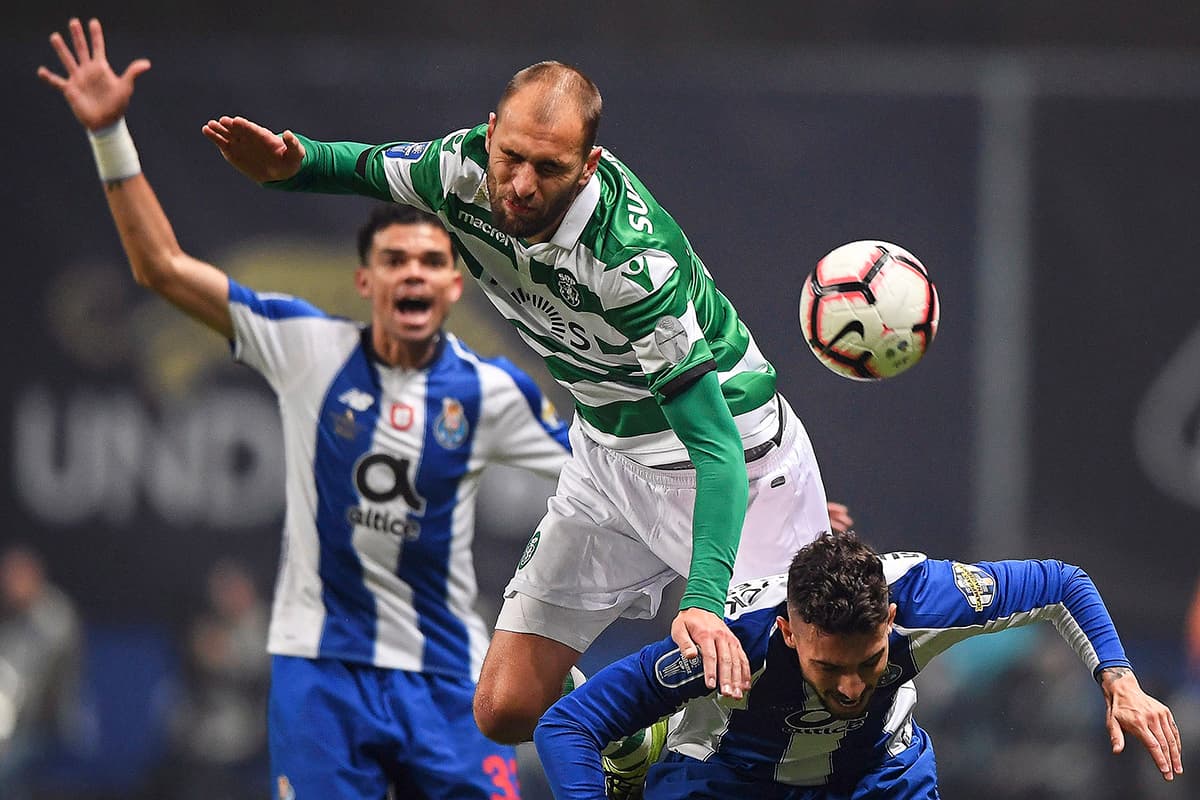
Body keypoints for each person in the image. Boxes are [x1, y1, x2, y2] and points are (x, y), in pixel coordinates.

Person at [201, 45, 835, 777]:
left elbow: (716, 449)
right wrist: (293, 163)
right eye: (512, 157)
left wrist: (701, 599)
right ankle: (635, 741)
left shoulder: (630, 260)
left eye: (550, 168)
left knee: (799, 703)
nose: (522, 184)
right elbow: (360, 166)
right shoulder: (459, 169)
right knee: (504, 708)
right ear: (491, 129)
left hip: (740, 469)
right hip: (607, 455)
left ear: (589, 164)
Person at [38, 18, 573, 800]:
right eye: (395, 262)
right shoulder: (303, 348)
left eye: (432, 261)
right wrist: (110, 132)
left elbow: (614, 476)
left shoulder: (492, 390)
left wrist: (774, 513)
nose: (414, 277)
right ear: (366, 283)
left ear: (457, 286)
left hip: (446, 676)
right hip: (321, 674)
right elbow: (160, 268)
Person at [533, 529, 1185, 799]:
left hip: (880, 778)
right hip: (736, 782)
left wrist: (1117, 680)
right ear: (789, 634)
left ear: (890, 623)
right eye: (829, 667)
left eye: (868, 662)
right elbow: (566, 725)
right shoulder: (728, 645)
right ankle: (639, 749)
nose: (850, 686)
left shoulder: (927, 601)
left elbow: (1062, 583)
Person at [0, 546, 83, 800]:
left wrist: (6, 737)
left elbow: (34, 692)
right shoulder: (6, 612)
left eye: (18, 577)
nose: (11, 585)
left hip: (43, 726)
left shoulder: (54, 619)